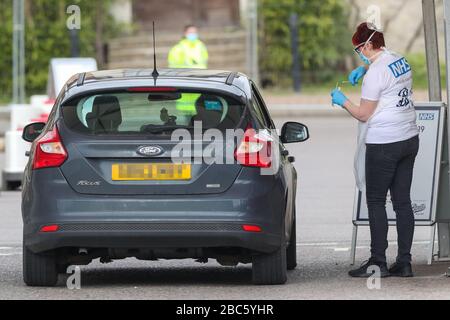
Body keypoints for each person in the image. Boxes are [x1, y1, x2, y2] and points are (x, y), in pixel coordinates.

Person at [331, 22, 419, 278]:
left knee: (376, 201)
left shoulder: (375, 75)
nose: (358, 52)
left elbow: (363, 114)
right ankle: (404, 262)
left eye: (359, 49)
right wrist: (364, 67)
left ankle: (378, 261)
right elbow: (384, 69)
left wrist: (342, 101)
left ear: (369, 45)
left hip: (384, 143)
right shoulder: (398, 59)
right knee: (403, 202)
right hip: (409, 138)